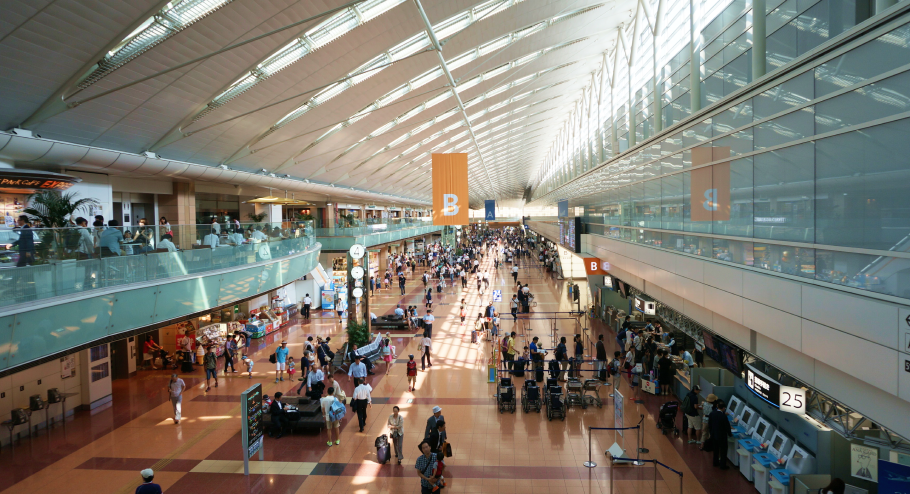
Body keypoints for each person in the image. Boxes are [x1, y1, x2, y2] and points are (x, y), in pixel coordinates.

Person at [708, 400, 732, 469]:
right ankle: (723, 465)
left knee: (715, 450)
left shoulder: (712, 413)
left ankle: (715, 462)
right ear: (724, 408)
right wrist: (730, 434)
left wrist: (711, 433)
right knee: (723, 451)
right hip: (722, 436)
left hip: (714, 435)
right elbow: (727, 426)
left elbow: (710, 424)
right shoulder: (723, 416)